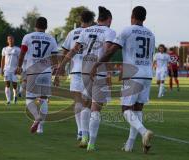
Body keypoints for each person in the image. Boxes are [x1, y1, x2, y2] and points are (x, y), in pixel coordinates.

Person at [90, 6, 155, 154]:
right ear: (144, 18)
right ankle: (129, 145)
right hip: (147, 74)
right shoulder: (151, 34)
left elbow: (111, 50)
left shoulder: (127, 30)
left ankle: (144, 132)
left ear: (132, 16)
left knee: (126, 109)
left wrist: (97, 65)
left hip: (133, 74)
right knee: (138, 109)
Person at [55, 6, 116, 151]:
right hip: (97, 71)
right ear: (109, 20)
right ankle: (91, 143)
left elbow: (73, 50)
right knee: (96, 108)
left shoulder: (86, 31)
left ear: (97, 19)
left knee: (85, 104)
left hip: (83, 72)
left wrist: (61, 67)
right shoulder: (109, 31)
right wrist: (106, 70)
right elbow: (107, 51)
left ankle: (83, 136)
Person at [16, 17, 58, 134]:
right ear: (46, 26)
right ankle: (40, 128)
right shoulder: (51, 39)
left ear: (35, 25)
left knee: (29, 100)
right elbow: (55, 58)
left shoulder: (28, 37)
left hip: (33, 71)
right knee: (44, 99)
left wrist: (19, 66)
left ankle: (36, 117)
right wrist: (56, 71)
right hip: (46, 72)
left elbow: (22, 53)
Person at [61, 10, 95, 141]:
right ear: (92, 20)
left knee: (77, 102)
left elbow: (65, 50)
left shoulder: (72, 33)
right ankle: (85, 131)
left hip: (75, 70)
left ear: (80, 20)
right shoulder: (95, 31)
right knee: (88, 103)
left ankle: (80, 130)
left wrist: (62, 66)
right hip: (90, 70)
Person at [1, 35, 20, 105]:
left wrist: (19, 68)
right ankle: (8, 100)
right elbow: (2, 60)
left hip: (14, 70)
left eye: (11, 39)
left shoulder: (18, 49)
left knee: (15, 85)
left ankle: (15, 95)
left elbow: (20, 60)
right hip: (6, 70)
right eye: (9, 39)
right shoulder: (4, 49)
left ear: (13, 40)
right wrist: (1, 70)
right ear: (7, 41)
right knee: (7, 84)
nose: (10, 40)